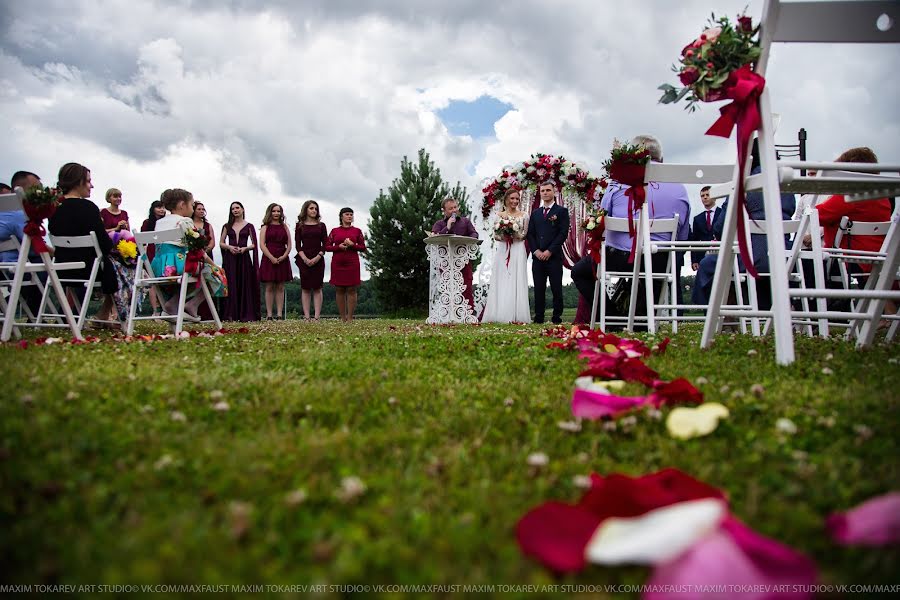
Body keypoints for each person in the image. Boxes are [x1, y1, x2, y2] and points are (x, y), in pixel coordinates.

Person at [572, 135, 690, 325]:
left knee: (580, 271)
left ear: (632, 157)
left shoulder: (617, 184)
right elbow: (682, 235)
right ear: (661, 159)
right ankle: (643, 320)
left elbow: (602, 220)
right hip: (661, 258)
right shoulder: (679, 188)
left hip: (620, 258)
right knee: (655, 269)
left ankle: (613, 318)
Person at [692, 140, 795, 309]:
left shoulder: (745, 183)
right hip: (782, 258)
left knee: (708, 264)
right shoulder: (785, 185)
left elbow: (720, 228)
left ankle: (710, 312)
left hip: (750, 259)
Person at [47, 163, 119, 326]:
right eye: (88, 181)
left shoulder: (53, 207)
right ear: (78, 182)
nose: (91, 185)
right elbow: (105, 245)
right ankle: (104, 313)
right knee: (124, 267)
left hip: (60, 268)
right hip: (87, 270)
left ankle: (92, 314)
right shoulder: (89, 208)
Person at [150, 189, 226, 320]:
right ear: (181, 205)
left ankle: (174, 304)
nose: (192, 209)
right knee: (216, 274)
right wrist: (215, 265)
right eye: (191, 205)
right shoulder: (185, 222)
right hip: (178, 267)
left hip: (158, 267)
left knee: (194, 274)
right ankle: (192, 304)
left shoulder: (159, 222)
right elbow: (197, 251)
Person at [482, 188, 530, 323]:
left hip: (518, 249)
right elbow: (496, 236)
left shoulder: (524, 215)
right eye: (512, 198)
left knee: (516, 277)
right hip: (503, 249)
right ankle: (499, 313)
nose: (515, 201)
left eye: (517, 199)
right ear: (506, 199)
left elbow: (525, 234)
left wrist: (516, 235)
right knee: (502, 278)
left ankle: (517, 314)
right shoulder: (499, 215)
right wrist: (505, 234)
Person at [526, 181, 570, 324]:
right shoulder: (535, 213)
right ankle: (538, 318)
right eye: (542, 190)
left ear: (554, 192)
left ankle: (557, 318)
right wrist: (536, 251)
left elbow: (563, 234)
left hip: (554, 257)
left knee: (556, 288)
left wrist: (550, 250)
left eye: (548, 190)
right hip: (537, 257)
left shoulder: (561, 212)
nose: (545, 193)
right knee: (539, 288)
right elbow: (530, 234)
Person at [431, 197, 479, 311]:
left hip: (463, 260)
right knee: (448, 287)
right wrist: (447, 227)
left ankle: (468, 313)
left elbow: (474, 234)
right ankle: (448, 313)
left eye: (455, 207)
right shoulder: (439, 224)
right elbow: (435, 238)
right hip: (446, 261)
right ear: (444, 210)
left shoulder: (465, 222)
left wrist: (467, 240)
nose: (454, 210)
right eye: (450, 208)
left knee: (466, 286)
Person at [220, 201, 260, 322]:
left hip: (244, 258)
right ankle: (231, 314)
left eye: (237, 208)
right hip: (230, 259)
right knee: (231, 284)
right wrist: (230, 247)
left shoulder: (249, 226)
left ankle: (245, 313)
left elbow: (254, 244)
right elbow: (221, 243)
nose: (235, 210)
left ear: (242, 209)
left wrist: (245, 248)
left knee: (245, 284)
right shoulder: (226, 226)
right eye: (233, 209)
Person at [326, 207, 366, 322]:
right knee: (339, 289)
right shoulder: (334, 231)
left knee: (352, 289)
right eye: (347, 214)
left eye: (351, 214)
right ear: (341, 216)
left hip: (352, 262)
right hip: (338, 262)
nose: (350, 216)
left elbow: (363, 247)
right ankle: (342, 318)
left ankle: (350, 318)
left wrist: (353, 245)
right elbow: (327, 247)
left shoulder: (357, 231)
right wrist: (338, 247)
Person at [295, 200, 328, 321]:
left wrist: (318, 257)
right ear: (306, 210)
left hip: (318, 258)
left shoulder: (321, 225)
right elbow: (298, 245)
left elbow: (325, 243)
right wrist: (304, 259)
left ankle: (317, 317)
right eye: (311, 208)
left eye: (315, 208)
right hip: (304, 259)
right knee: (305, 288)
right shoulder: (299, 226)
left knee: (318, 287)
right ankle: (307, 316)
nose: (314, 210)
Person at [258, 203, 293, 320]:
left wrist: (284, 256)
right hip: (269, 257)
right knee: (269, 286)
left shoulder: (285, 227)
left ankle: (279, 314)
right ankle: (269, 314)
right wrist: (271, 257)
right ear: (270, 212)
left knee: (280, 286)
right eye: (274, 211)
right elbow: (262, 244)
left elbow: (289, 244)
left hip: (282, 256)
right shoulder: (265, 227)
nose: (276, 213)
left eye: (278, 211)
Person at [140, 199, 167, 317]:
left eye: (163, 207)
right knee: (152, 281)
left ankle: (166, 309)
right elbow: (143, 240)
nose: (161, 209)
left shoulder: (167, 222)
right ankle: (155, 311)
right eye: (158, 207)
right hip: (151, 253)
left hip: (165, 251)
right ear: (153, 209)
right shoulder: (147, 223)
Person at [689, 186, 720, 271]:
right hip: (702, 258)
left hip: (720, 254)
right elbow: (694, 241)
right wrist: (694, 260)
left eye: (707, 195)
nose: (705, 197)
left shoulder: (723, 214)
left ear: (715, 197)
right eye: (702, 196)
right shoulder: (697, 219)